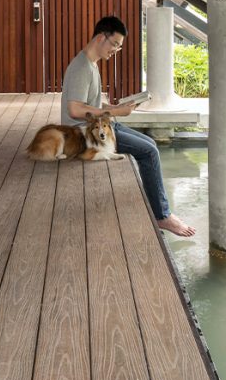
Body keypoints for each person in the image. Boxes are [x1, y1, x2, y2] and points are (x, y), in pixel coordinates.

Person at [62, 15, 195, 237]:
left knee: (150, 143)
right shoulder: (81, 68)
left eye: (119, 47)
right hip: (83, 135)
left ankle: (159, 209)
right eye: (115, 44)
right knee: (149, 152)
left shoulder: (91, 63)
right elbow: (74, 110)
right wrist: (115, 112)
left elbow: (90, 104)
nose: (116, 50)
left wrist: (114, 107)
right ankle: (162, 216)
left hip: (98, 127)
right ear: (100, 37)